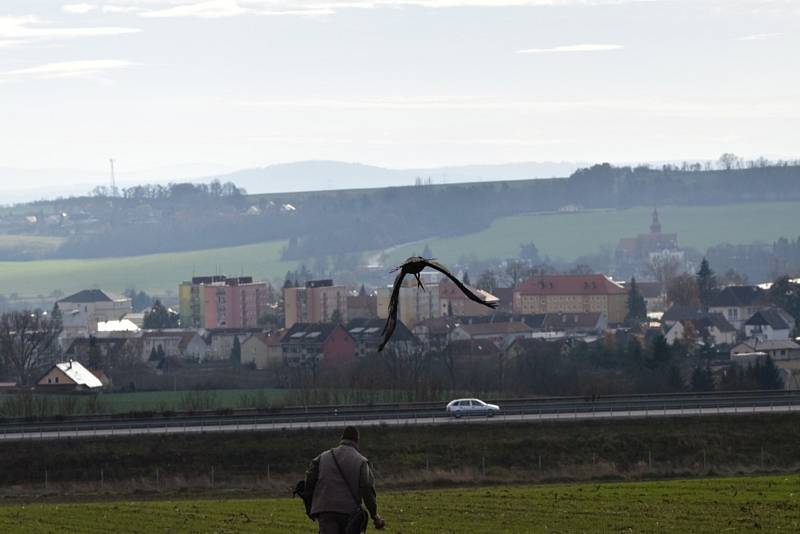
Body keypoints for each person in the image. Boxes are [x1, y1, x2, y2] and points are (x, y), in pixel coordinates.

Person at [304, 426, 385, 533]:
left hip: (326, 510)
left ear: (341, 438)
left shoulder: (322, 457)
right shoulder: (361, 462)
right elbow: (367, 488)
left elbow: (309, 480)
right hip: (349, 512)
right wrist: (374, 515)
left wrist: (312, 506)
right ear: (357, 441)